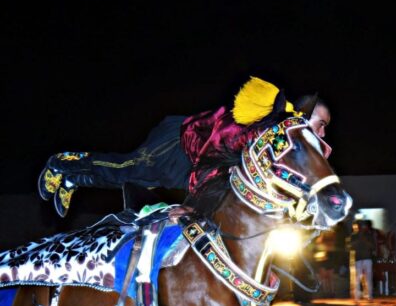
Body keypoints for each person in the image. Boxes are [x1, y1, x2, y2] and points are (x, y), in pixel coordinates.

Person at [37, 76, 332, 217]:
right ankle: (62, 163)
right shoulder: (268, 124)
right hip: (176, 143)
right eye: (322, 124)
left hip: (188, 165)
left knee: (130, 178)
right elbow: (213, 153)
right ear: (305, 116)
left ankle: (74, 179)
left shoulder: (283, 140)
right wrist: (191, 207)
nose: (323, 132)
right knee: (124, 167)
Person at [348, 221, 375, 302]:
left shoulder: (368, 235)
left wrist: (363, 240)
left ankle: (369, 296)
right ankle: (358, 297)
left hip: (366, 258)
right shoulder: (353, 236)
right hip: (360, 259)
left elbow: (373, 246)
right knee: (358, 278)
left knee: (368, 278)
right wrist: (360, 240)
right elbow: (350, 247)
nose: (359, 228)